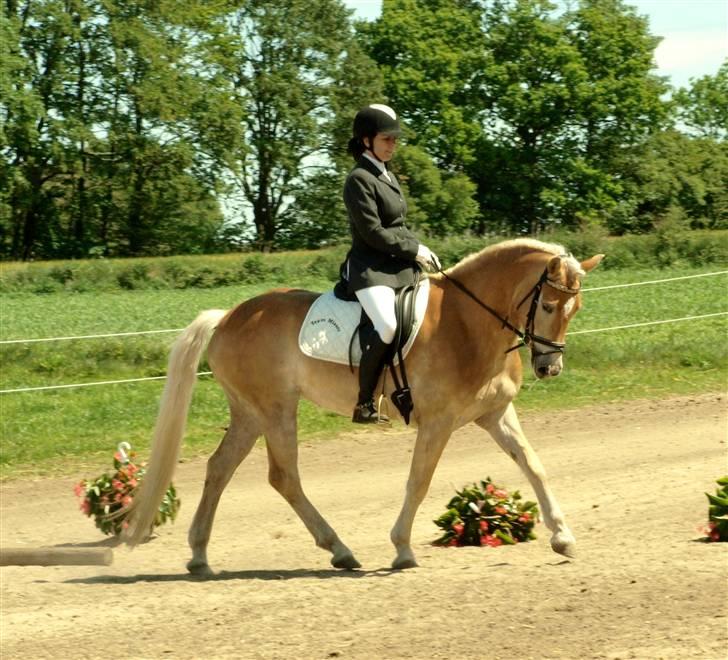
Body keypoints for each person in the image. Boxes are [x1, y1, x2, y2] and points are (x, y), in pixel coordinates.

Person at [339, 103, 441, 424]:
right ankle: (365, 402)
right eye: (386, 139)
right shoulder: (358, 180)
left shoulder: (386, 175)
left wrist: (419, 248)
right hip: (371, 270)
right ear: (367, 140)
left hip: (397, 266)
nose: (392, 144)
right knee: (388, 325)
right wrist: (414, 250)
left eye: (394, 139)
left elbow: (397, 226)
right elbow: (373, 233)